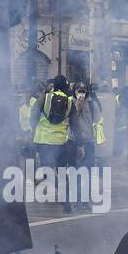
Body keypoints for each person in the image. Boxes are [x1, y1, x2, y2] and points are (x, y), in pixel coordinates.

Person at [30, 75, 74, 213]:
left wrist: (33, 126)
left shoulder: (46, 97)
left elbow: (34, 113)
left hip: (44, 142)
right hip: (61, 141)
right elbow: (75, 123)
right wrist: (79, 144)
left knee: (48, 171)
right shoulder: (69, 101)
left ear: (54, 84)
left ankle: (62, 193)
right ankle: (66, 198)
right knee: (61, 171)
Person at [67, 81, 104, 213]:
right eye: (78, 90)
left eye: (83, 90)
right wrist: (77, 108)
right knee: (75, 172)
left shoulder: (92, 104)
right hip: (74, 142)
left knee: (87, 173)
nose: (80, 92)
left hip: (88, 142)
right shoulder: (70, 103)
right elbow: (68, 121)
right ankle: (76, 201)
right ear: (74, 91)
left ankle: (85, 200)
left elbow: (97, 119)